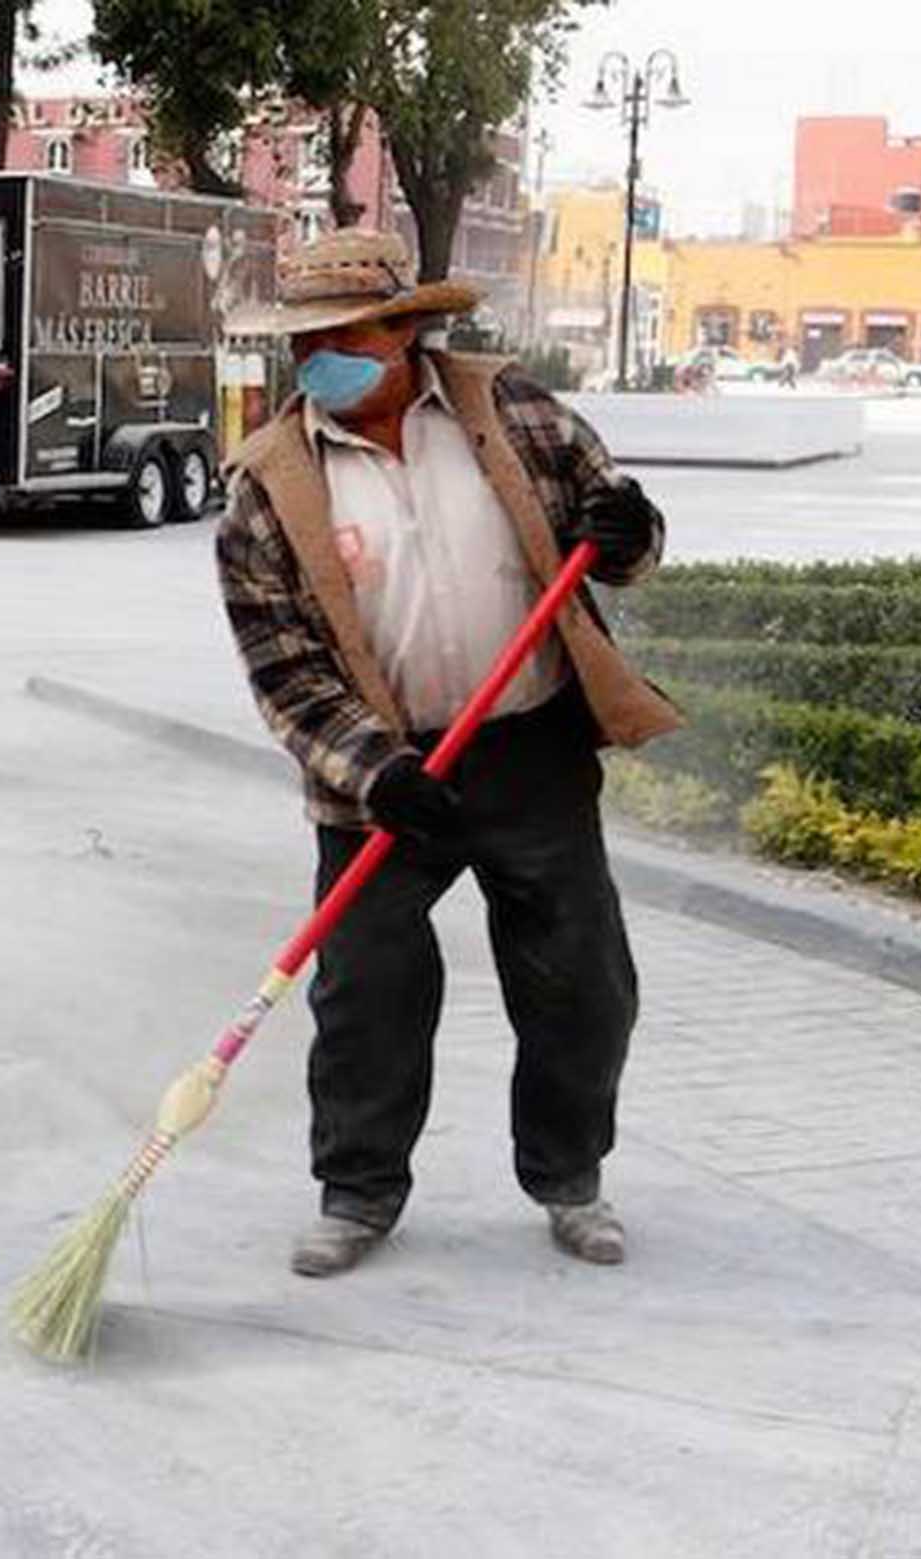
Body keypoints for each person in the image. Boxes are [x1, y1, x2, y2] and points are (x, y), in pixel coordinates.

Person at [216, 229, 683, 1279]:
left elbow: (623, 537)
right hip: (384, 777)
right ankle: (358, 1191)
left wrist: (628, 533)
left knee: (579, 978)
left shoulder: (515, 412)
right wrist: (373, 768)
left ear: (410, 329)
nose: (323, 357)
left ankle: (570, 1181)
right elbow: (279, 665)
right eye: (306, 342)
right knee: (366, 990)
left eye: (347, 334)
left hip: (529, 745)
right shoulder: (265, 483)